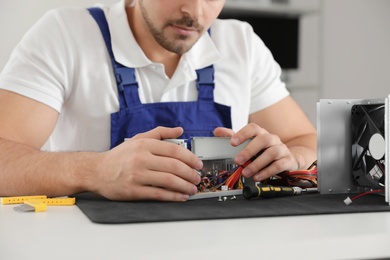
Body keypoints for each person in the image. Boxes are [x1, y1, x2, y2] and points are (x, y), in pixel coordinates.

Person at [0, 0, 316, 201]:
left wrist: (288, 160)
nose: (195, 12)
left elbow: (305, 140)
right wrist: (96, 171)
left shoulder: (241, 43)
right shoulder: (65, 34)